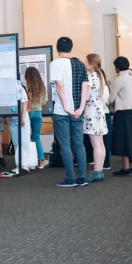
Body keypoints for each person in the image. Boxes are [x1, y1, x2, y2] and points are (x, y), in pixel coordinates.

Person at [50, 37, 90, 187]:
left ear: (57, 48)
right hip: (78, 111)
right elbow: (86, 87)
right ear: (71, 48)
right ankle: (82, 178)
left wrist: (67, 107)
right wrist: (80, 108)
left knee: (65, 145)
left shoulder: (55, 64)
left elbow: (60, 86)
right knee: (79, 144)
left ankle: (71, 178)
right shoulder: (80, 64)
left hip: (62, 111)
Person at [109, 57, 132, 177]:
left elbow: (111, 99)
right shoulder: (130, 79)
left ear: (117, 67)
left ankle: (126, 167)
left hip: (122, 112)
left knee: (123, 139)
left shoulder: (118, 80)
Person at [83, 54, 109, 182]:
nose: (84, 64)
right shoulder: (100, 77)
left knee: (95, 144)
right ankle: (100, 170)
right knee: (100, 143)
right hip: (99, 109)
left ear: (91, 63)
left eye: (86, 62)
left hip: (91, 110)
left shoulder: (90, 77)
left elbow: (86, 96)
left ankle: (96, 171)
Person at [25, 67, 47, 169]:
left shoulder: (25, 85)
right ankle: (41, 161)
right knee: (36, 137)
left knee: (26, 137)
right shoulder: (42, 87)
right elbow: (44, 102)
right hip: (38, 113)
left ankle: (29, 162)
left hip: (28, 112)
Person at [101, 70, 114, 170]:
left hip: (104, 114)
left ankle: (106, 162)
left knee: (106, 140)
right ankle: (101, 161)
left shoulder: (105, 87)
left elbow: (104, 101)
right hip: (99, 114)